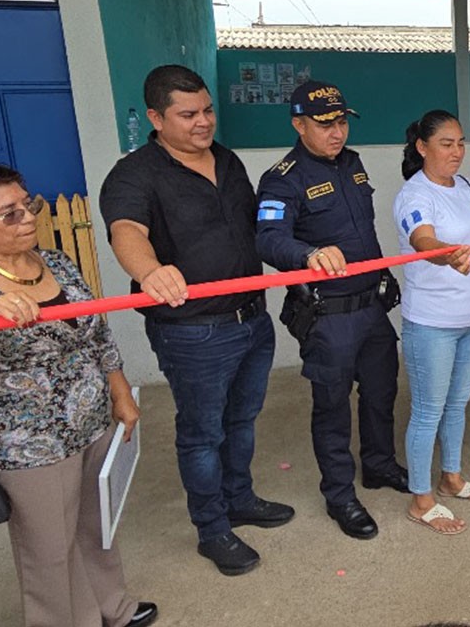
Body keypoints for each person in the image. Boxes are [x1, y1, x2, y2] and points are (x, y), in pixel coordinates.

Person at [0, 163, 157, 627]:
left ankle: (112, 606)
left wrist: (120, 392)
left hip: (92, 423)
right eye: (10, 214)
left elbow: (96, 332)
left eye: (27, 203)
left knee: (98, 526)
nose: (29, 217)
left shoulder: (55, 262)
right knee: (49, 551)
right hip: (28, 447)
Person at [99, 65, 292, 577]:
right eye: (188, 115)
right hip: (194, 331)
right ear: (156, 118)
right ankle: (212, 528)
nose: (203, 121)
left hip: (252, 318)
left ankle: (240, 498)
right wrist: (150, 271)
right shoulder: (135, 173)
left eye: (207, 110)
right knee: (203, 433)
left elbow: (253, 226)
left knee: (242, 420)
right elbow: (126, 230)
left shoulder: (226, 160)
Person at [256, 80, 408, 541]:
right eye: (324, 125)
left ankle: (379, 465)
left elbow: (363, 232)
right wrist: (308, 254)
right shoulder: (282, 179)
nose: (336, 132)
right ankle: (340, 494)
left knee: (381, 392)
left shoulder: (352, 164)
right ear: (298, 125)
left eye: (341, 122)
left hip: (371, 306)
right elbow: (268, 238)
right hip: (330, 316)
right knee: (332, 408)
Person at [393, 110, 470, 535]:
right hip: (431, 322)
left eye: (460, 143)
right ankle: (421, 499)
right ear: (422, 147)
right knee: (428, 411)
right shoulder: (414, 194)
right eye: (446, 144)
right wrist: (447, 255)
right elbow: (422, 240)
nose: (456, 152)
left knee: (457, 403)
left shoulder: (469, 187)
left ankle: (451, 478)